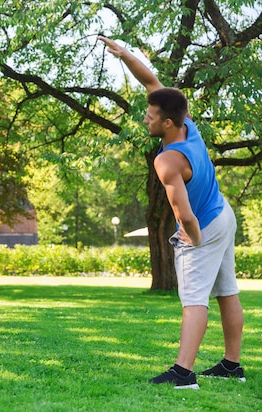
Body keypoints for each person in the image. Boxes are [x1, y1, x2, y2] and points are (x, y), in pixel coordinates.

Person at [98, 36, 244, 389]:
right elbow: (152, 83)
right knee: (227, 291)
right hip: (223, 213)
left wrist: (191, 240)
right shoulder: (186, 123)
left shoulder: (167, 161)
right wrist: (125, 55)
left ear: (166, 123)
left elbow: (187, 217)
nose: (145, 120)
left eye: (149, 117)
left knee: (194, 301)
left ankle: (183, 374)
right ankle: (232, 365)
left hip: (204, 224)